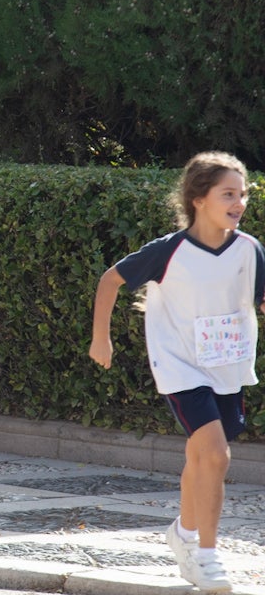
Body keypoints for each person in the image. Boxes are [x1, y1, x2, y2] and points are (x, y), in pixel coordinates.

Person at [91, 151, 263, 592]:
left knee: (200, 456)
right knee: (217, 456)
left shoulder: (249, 250)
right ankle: (206, 555)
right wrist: (101, 339)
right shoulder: (170, 250)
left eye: (243, 194)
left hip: (227, 364)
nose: (239, 202)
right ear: (198, 199)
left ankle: (183, 533)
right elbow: (110, 280)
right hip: (179, 364)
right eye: (229, 193)